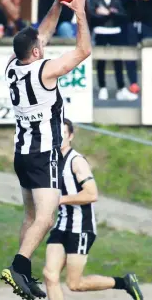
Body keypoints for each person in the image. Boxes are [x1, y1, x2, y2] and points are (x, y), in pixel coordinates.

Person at [0, 0, 91, 300]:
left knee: (30, 217)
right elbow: (83, 51)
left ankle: (22, 274)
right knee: (47, 217)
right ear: (36, 53)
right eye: (41, 45)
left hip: (21, 154)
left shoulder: (14, 66)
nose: (44, 44)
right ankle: (17, 266)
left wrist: (56, 2)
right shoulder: (45, 72)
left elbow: (41, 33)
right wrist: (78, 11)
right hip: (43, 154)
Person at [44, 118, 143, 300]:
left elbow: (91, 194)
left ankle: (124, 282)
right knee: (50, 275)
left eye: (62, 133)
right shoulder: (51, 161)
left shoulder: (76, 161)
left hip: (81, 228)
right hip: (61, 225)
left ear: (70, 136)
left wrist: (60, 199)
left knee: (75, 284)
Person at [89, 0, 138, 101]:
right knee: (101, 61)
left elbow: (122, 14)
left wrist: (112, 13)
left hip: (114, 30)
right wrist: (100, 13)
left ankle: (121, 88)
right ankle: (102, 87)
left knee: (118, 60)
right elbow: (92, 12)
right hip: (101, 31)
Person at [113, 0, 152, 94]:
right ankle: (134, 83)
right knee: (130, 53)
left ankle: (149, 83)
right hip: (129, 22)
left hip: (148, 22)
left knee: (149, 53)